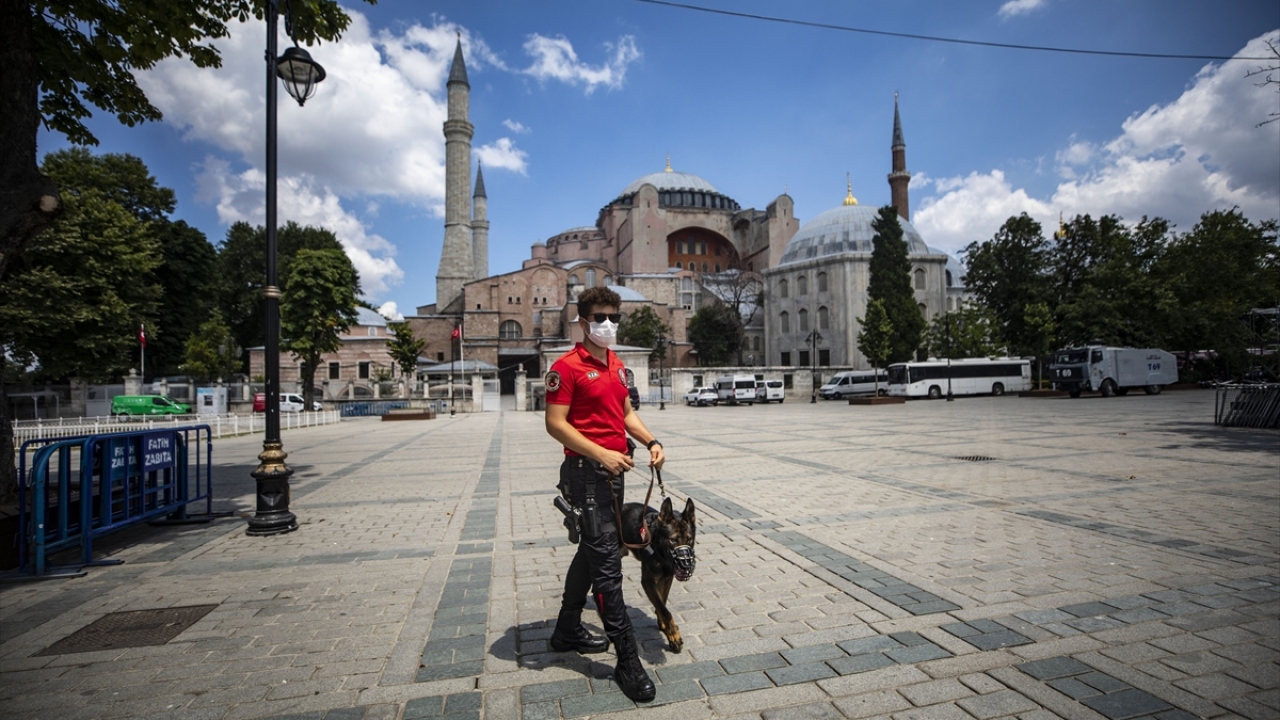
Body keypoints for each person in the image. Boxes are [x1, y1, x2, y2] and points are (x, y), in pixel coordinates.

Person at [544, 286, 665, 702]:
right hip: (584, 474)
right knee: (608, 565)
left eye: (613, 317)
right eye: (598, 317)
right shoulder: (567, 367)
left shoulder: (618, 366)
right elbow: (555, 424)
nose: (607, 324)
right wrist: (601, 454)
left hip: (614, 475)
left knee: (592, 552)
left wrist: (652, 442)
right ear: (582, 322)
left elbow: (626, 413)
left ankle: (566, 629)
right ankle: (627, 659)